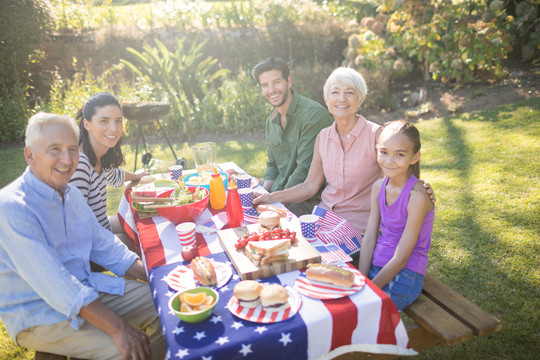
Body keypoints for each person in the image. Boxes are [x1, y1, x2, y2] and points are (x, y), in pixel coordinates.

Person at [0, 112, 165, 359]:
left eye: (72, 150)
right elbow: (56, 285)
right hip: (40, 314)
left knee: (166, 305)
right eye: (55, 149)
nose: (67, 160)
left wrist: (157, 278)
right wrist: (120, 329)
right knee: (127, 352)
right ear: (30, 155)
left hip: (86, 287)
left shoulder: (70, 194)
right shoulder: (12, 207)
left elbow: (105, 245)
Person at [254, 67, 434, 236]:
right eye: (335, 92)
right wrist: (270, 197)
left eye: (350, 92)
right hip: (322, 220)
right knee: (275, 239)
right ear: (326, 99)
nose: (341, 98)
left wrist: (419, 187)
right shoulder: (322, 137)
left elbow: (402, 172)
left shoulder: (377, 135)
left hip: (359, 228)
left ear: (360, 99)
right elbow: (309, 186)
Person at [358, 120, 435, 311]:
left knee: (361, 314)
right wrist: (360, 281)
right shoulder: (378, 187)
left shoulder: (416, 196)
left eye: (399, 154)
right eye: (384, 152)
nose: (389, 160)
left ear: (415, 157)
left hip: (406, 275)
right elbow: (369, 239)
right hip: (378, 266)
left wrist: (370, 290)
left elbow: (401, 257)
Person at [252, 57, 333, 216]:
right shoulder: (271, 121)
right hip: (280, 192)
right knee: (240, 201)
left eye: (276, 82)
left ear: (288, 82)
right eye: (265, 85)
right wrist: (264, 192)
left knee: (264, 226)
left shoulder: (312, 115)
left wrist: (272, 199)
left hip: (310, 199)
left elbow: (304, 171)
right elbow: (273, 165)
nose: (271, 90)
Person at [70, 92, 147, 254]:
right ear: (87, 124)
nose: (114, 128)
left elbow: (115, 176)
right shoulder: (80, 164)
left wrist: (137, 176)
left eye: (118, 121)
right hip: (90, 248)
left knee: (141, 221)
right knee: (144, 242)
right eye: (104, 121)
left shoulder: (98, 154)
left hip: (101, 228)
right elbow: (76, 228)